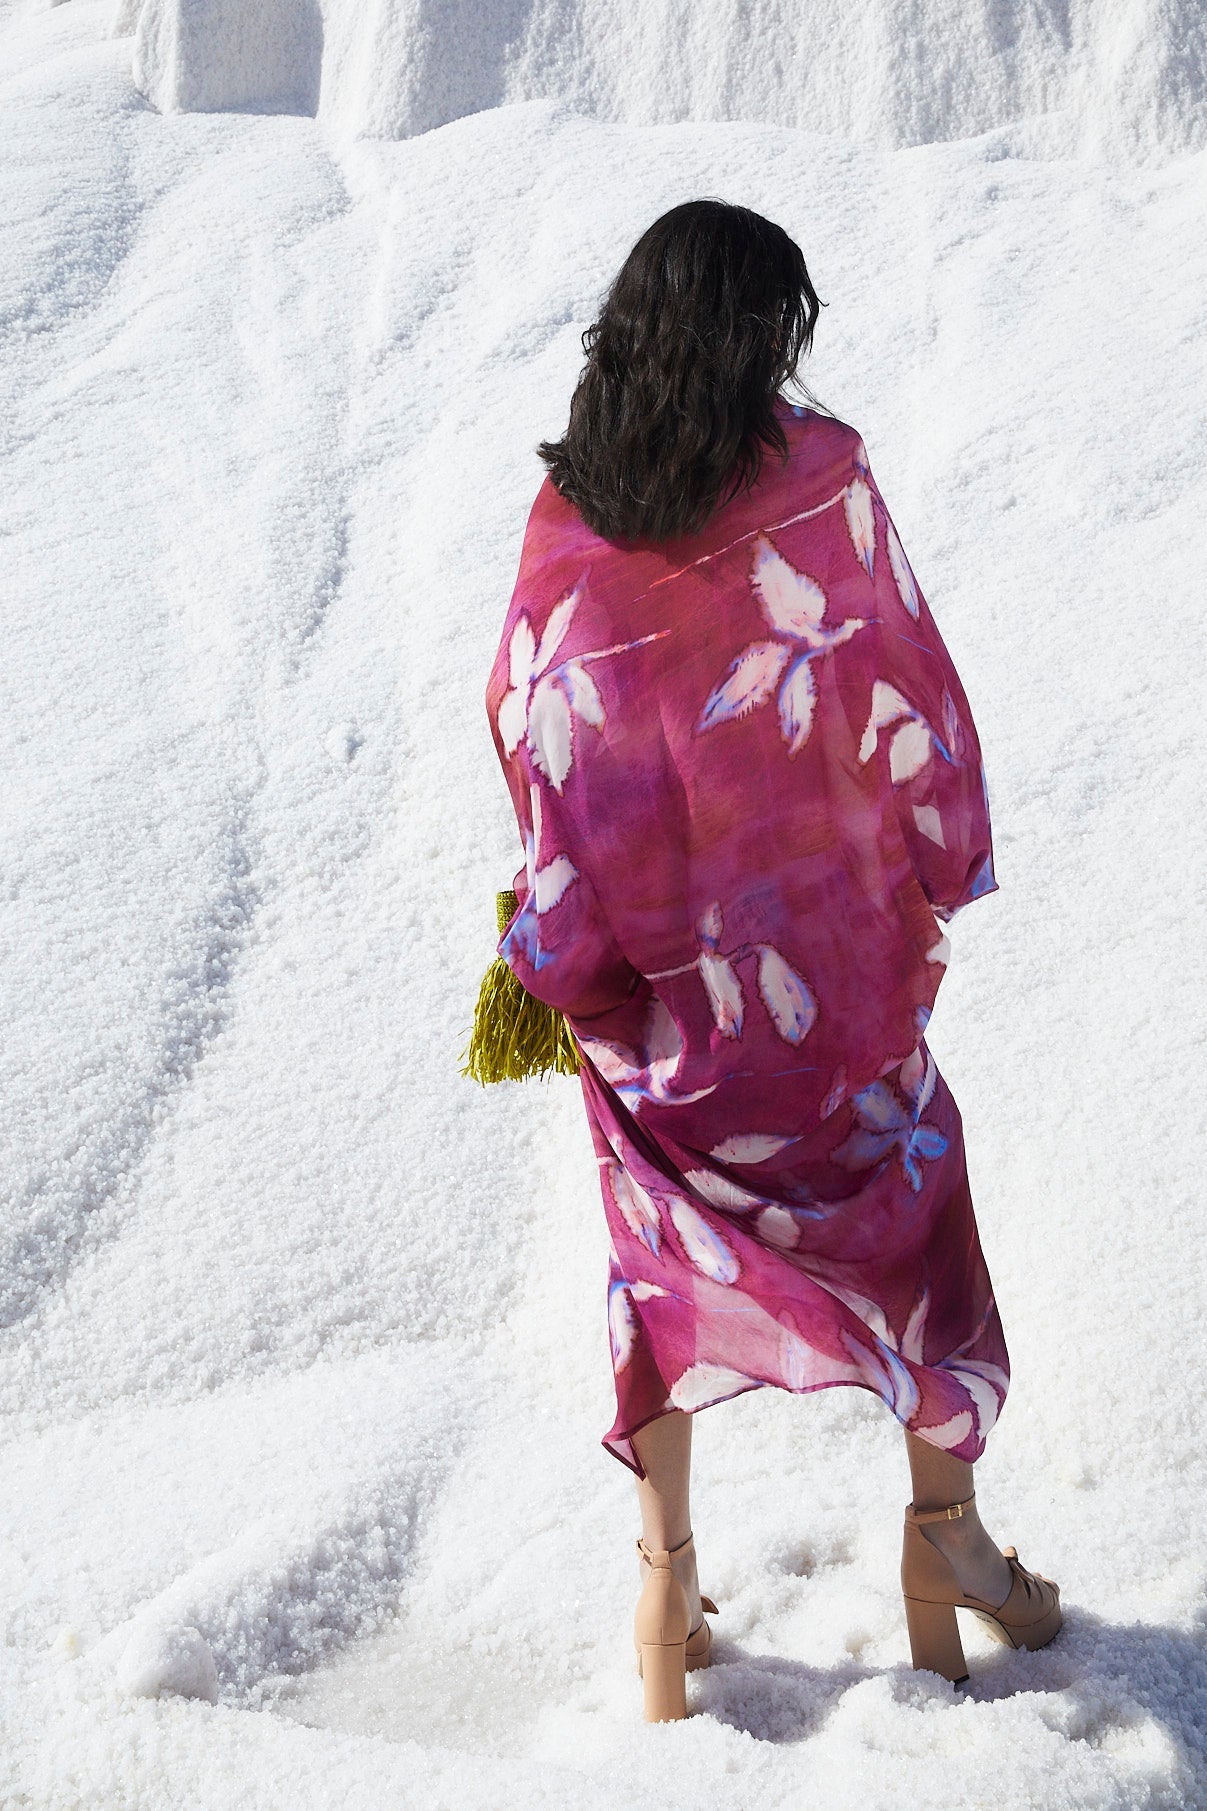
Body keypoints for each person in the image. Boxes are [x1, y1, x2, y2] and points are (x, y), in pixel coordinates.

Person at [484, 199, 1060, 1722]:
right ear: (753, 346)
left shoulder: (568, 537)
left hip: (668, 1025)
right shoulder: (822, 486)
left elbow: (548, 764)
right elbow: (904, 684)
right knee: (918, 1214)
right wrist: (932, 865)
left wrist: (562, 968)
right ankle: (951, 1547)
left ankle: (666, 1583)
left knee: (658, 1267)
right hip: (835, 995)